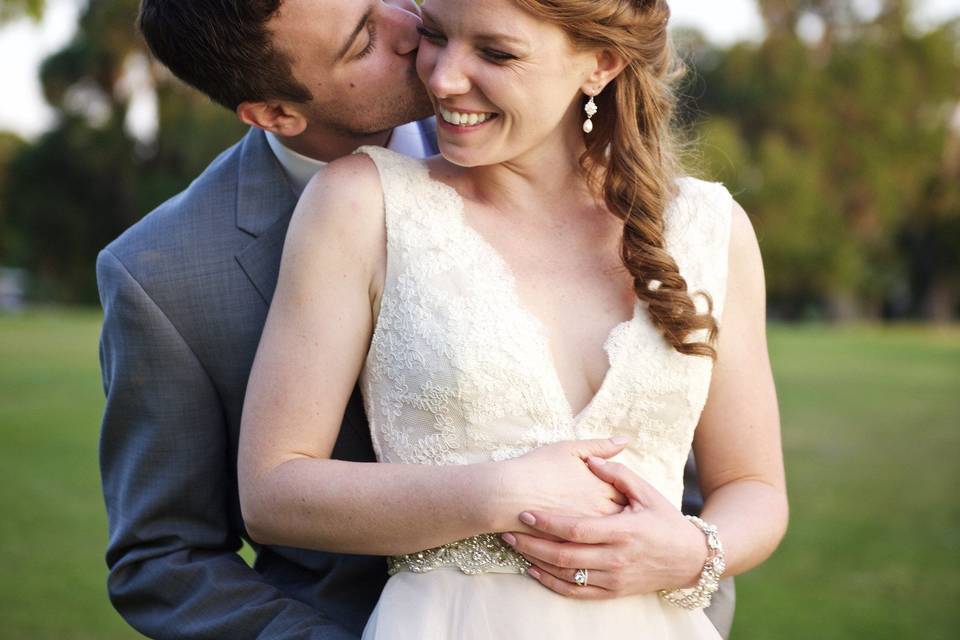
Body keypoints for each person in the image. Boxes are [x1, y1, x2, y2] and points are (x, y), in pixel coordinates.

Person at [97, 1, 738, 638]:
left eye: (391, 2)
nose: (413, 38)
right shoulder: (162, 276)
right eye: (363, 41)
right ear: (276, 114)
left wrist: (689, 566)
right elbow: (165, 559)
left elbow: (669, 441)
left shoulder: (536, 120)